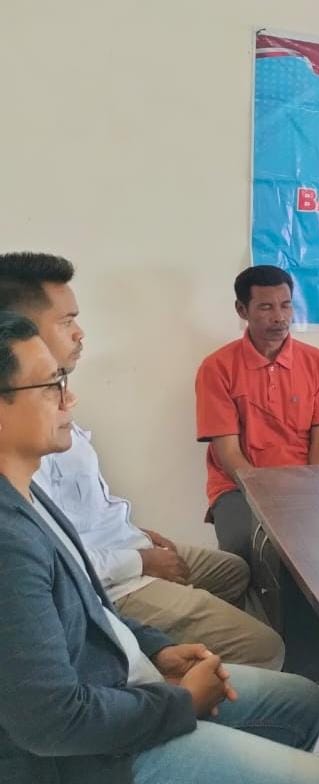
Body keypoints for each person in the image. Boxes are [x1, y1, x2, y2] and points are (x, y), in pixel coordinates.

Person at [0, 311, 319, 784]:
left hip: (121, 683)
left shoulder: (28, 494)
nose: (69, 399)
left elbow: (93, 609)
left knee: (299, 700)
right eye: (51, 386)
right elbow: (52, 722)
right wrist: (181, 704)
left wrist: (156, 649)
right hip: (84, 772)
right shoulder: (8, 543)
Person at [0, 252, 283, 670]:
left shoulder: (55, 402)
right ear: (22, 330)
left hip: (124, 545)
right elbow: (62, 557)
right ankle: (186, 678)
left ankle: (192, 659)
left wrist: (136, 535)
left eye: (286, 305)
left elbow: (84, 510)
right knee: (266, 646)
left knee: (236, 572)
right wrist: (142, 561)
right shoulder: (24, 431)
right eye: (66, 321)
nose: (80, 333)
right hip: (112, 581)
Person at [196, 265, 319, 562]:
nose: (279, 317)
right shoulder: (217, 367)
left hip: (304, 483)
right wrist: (270, 498)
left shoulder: (316, 362)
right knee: (247, 548)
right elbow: (228, 452)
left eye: (286, 305)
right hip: (239, 488)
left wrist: (311, 492)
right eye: (266, 307)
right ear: (242, 310)